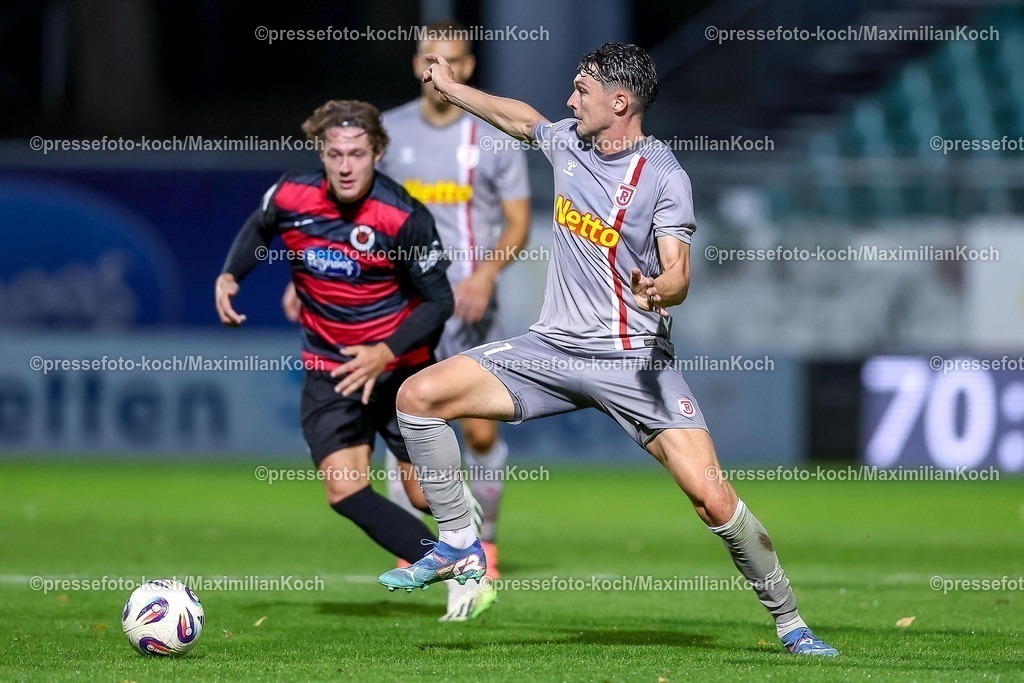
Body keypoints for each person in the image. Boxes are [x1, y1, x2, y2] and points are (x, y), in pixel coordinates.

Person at [378, 43, 840, 656]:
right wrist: (451, 88)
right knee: (418, 396)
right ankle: (461, 539)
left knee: (714, 498)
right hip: (551, 351)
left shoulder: (665, 176)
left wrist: (663, 289)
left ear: (619, 102)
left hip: (632, 361)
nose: (570, 100)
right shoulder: (568, 142)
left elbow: (678, 270)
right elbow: (516, 117)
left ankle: (790, 621)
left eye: (581, 90)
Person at [216, 99, 484, 621]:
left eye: (356, 154)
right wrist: (231, 275)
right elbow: (260, 226)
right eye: (335, 154)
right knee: (344, 488)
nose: (344, 166)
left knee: (420, 492)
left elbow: (440, 302)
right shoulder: (292, 192)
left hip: (400, 370)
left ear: (377, 153)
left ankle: (456, 518)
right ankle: (453, 568)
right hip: (328, 366)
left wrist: (383, 352)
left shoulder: (404, 215)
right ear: (322, 152)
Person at [283, 22, 531, 585]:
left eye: (450, 60)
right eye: (428, 58)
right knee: (405, 413)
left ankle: (482, 540)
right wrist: (303, 280)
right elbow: (341, 212)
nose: (437, 70)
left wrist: (487, 274)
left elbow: (517, 222)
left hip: (467, 297)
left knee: (481, 432)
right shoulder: (387, 132)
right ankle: (425, 546)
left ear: (468, 68)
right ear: (417, 63)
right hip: (397, 302)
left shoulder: (491, 138)